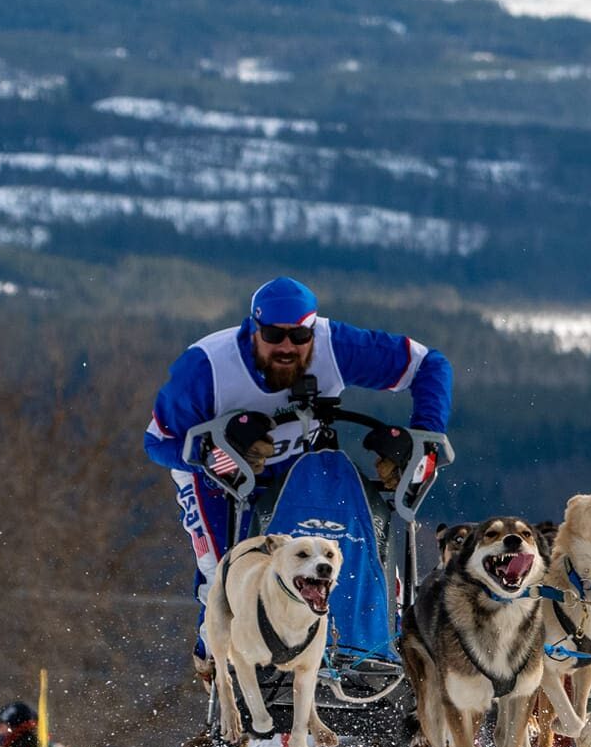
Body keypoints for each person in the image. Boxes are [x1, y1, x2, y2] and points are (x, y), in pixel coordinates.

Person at [143, 277, 453, 670]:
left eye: (300, 336)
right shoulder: (205, 367)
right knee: (227, 573)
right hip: (220, 481)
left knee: (356, 556)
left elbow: (429, 365)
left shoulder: (337, 344)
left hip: (299, 472)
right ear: (253, 330)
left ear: (314, 331)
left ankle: (369, 657)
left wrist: (422, 439)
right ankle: (218, 669)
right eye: (273, 336)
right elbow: (157, 443)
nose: (287, 347)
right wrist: (214, 455)